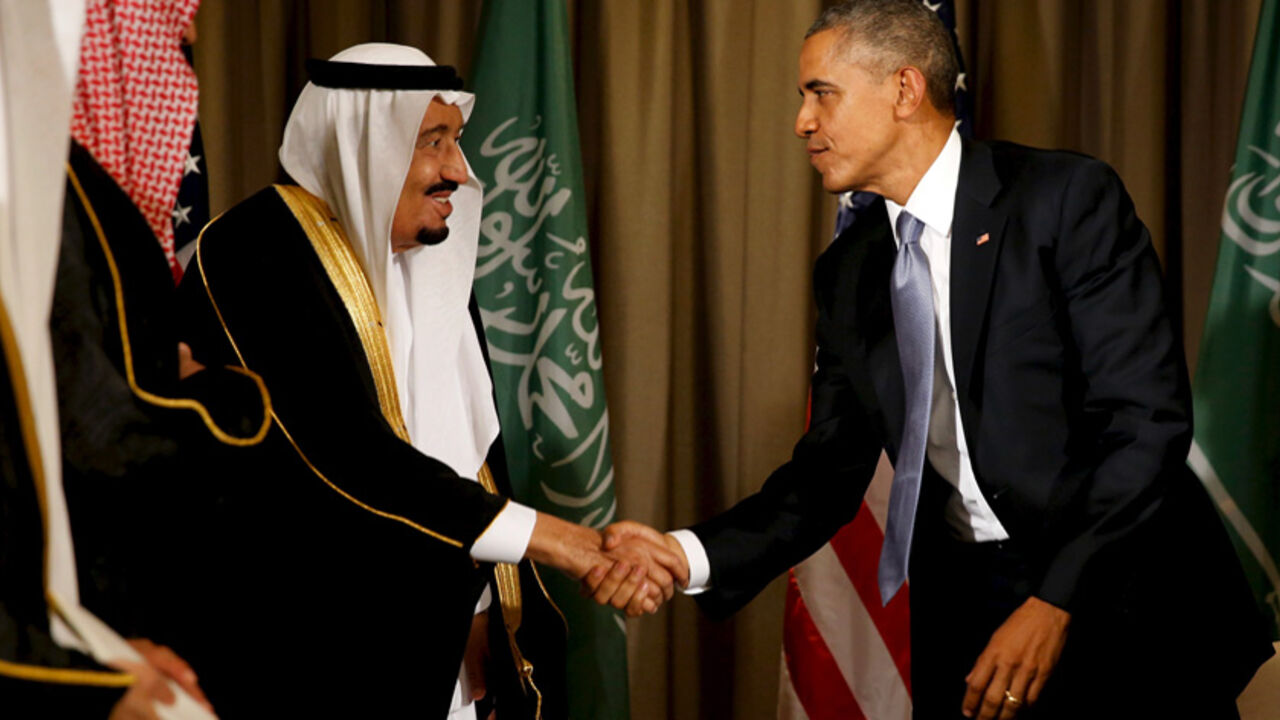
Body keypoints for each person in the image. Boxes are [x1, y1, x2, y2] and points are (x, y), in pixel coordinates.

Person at [597, 1, 1275, 718]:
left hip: (1126, 601)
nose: (801, 122)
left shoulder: (1064, 200)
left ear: (904, 89)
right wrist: (688, 555)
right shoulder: (850, 271)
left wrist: (1054, 602)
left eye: (820, 93)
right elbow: (826, 472)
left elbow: (1146, 426)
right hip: (968, 610)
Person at [175, 43, 676, 719]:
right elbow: (350, 456)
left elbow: (466, 460)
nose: (458, 173)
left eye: (456, 141)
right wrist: (567, 543)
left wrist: (484, 618)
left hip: (439, 659)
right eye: (431, 142)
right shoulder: (256, 249)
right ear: (362, 145)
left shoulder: (428, 265)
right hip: (312, 658)